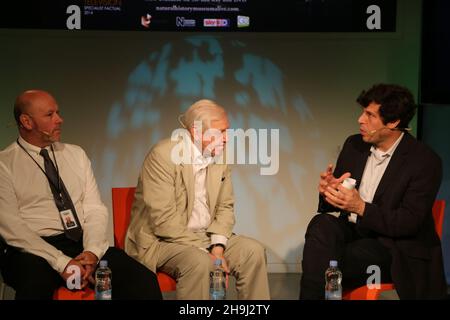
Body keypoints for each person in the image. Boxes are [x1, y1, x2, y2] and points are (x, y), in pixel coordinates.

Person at [0, 90, 162, 300]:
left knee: (142, 279)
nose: (60, 119)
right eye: (50, 115)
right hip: (31, 249)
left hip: (78, 242)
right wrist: (62, 263)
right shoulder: (5, 164)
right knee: (34, 287)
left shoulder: (76, 154)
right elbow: (13, 228)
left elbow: (94, 209)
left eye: (58, 112)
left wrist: (92, 252)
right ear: (26, 122)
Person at [299, 84, 447, 300]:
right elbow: (341, 202)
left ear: (394, 122)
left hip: (391, 247)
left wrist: (361, 207)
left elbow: (408, 222)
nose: (360, 120)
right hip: (353, 233)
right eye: (363, 112)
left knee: (324, 259)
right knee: (321, 224)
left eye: (370, 115)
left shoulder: (424, 161)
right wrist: (329, 192)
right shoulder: (354, 145)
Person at [125, 99, 271, 300]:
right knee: (199, 261)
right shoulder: (163, 155)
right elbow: (164, 221)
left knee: (252, 252)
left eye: (227, 131)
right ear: (196, 131)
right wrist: (207, 253)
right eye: (221, 132)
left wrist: (218, 248)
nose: (227, 138)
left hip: (205, 236)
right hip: (160, 241)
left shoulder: (220, 155)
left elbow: (225, 206)